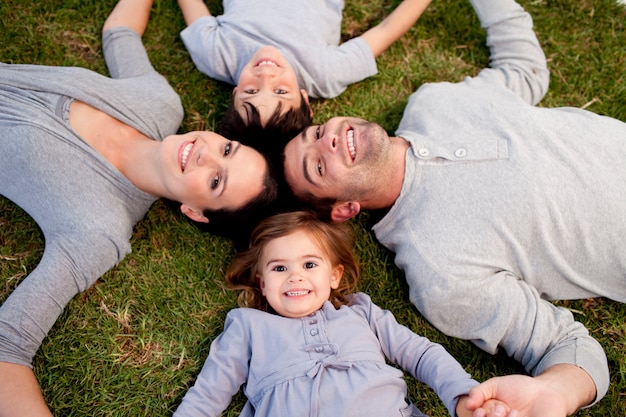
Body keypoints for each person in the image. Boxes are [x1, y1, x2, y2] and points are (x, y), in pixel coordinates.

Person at [281, 0, 626, 415]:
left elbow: (523, 73)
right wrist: (556, 392)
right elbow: (566, 346)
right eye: (317, 166)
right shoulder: (439, 273)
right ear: (344, 209)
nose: (327, 140)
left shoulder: (432, 102)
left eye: (316, 132)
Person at [0, 0, 279, 415]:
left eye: (216, 181)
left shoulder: (99, 230)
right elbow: (121, 36)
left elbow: (9, 347)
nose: (206, 154)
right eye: (226, 147)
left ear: (194, 212)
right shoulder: (160, 104)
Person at [173, 210, 520, 417]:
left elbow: (420, 353)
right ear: (262, 284)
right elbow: (208, 393)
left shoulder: (360, 312)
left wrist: (462, 395)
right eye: (279, 269)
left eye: (310, 264)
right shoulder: (249, 327)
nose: (295, 276)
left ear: (334, 275)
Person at [176, 0, 432, 156]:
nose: (266, 75)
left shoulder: (218, 56)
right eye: (280, 92)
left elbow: (194, 8)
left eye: (251, 91)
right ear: (304, 100)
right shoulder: (323, 73)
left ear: (234, 93)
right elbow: (386, 31)